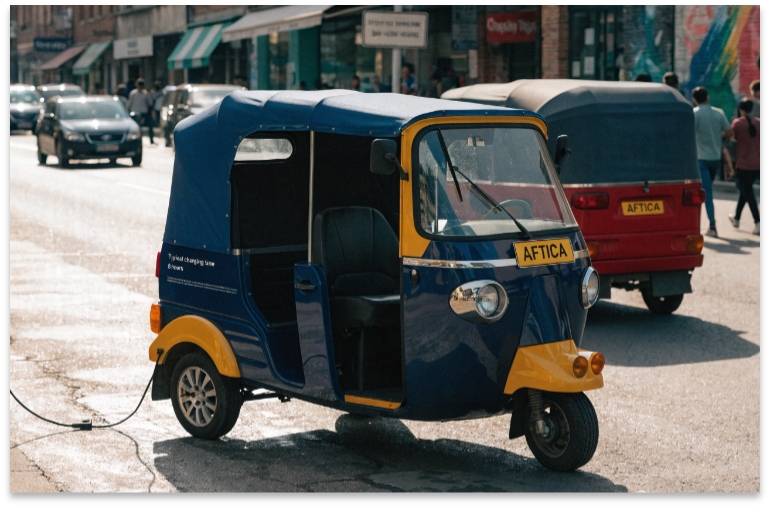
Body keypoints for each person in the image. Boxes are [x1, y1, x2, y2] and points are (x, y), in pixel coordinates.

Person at [692, 86, 732, 237]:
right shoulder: (718, 113)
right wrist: (720, 141)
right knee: (707, 192)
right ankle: (710, 224)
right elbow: (729, 132)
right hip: (715, 158)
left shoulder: (694, 114)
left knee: (705, 193)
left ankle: (712, 226)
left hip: (700, 158)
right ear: (707, 97)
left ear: (694, 99)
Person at [728, 98, 760, 235]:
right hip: (758, 164)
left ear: (741, 109)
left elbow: (731, 139)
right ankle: (736, 218)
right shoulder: (760, 123)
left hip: (743, 164)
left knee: (748, 192)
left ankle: (758, 222)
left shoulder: (737, 123)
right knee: (745, 191)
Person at [126, 77, 155, 144]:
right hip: (135, 113)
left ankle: (151, 140)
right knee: (136, 128)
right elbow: (129, 104)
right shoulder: (133, 93)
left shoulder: (146, 93)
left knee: (150, 126)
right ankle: (137, 141)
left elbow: (150, 104)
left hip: (144, 113)